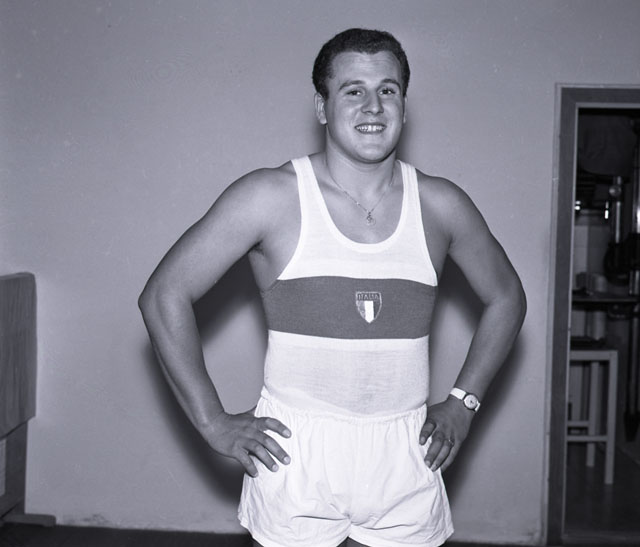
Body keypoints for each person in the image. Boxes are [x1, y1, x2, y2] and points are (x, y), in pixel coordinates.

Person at [138, 28, 527, 547]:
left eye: (388, 90)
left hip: (404, 454)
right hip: (294, 454)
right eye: (353, 90)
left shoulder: (441, 204)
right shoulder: (270, 196)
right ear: (322, 107)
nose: (373, 106)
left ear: (404, 107)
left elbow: (507, 297)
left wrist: (463, 402)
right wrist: (211, 422)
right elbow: (164, 294)